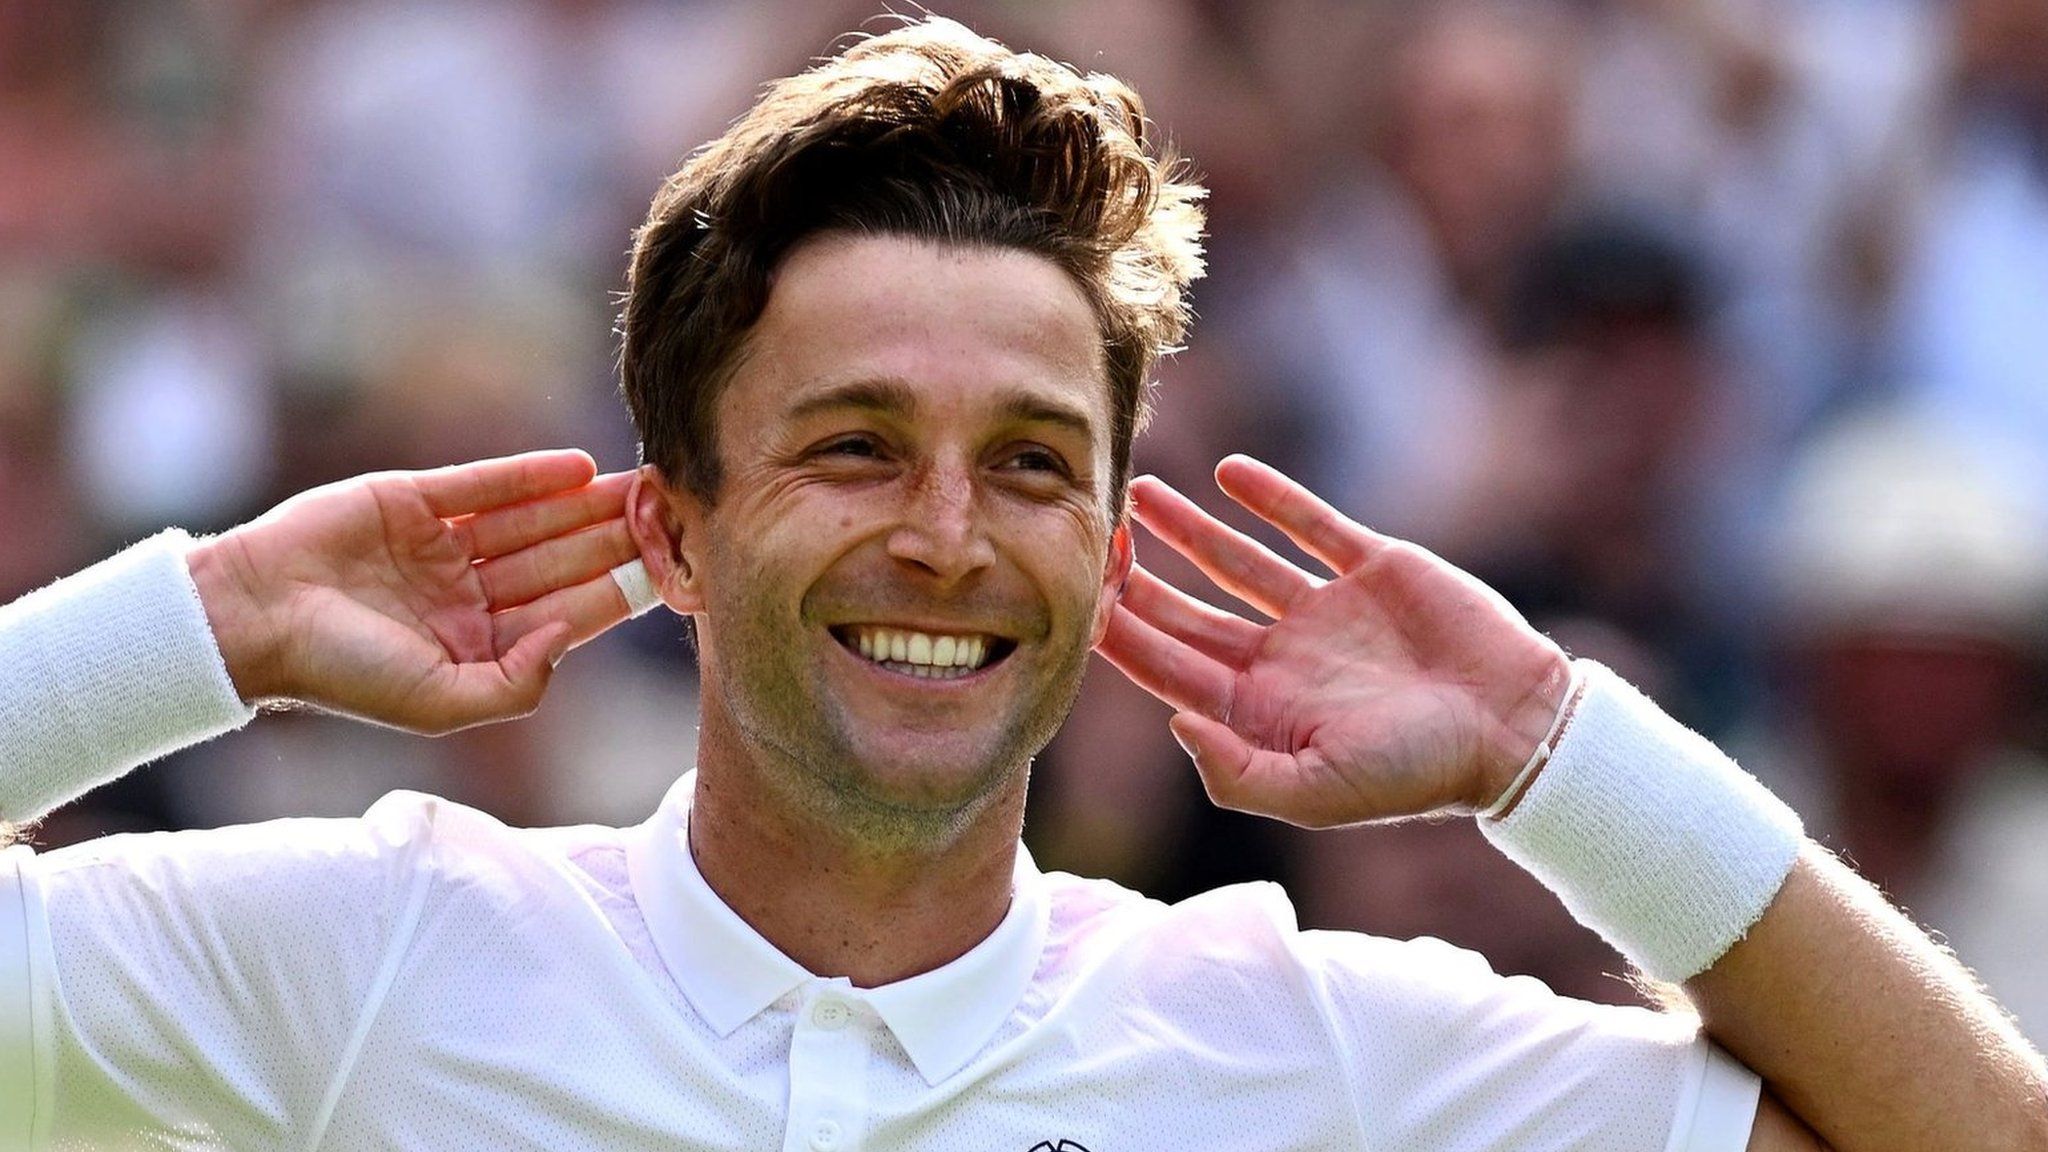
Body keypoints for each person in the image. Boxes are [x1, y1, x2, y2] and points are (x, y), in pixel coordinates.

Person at [1, 17, 2040, 1152]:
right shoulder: (374, 952)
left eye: (1035, 465)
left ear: (1106, 536)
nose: (950, 538)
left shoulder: (1305, 1055)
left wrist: (1549, 756)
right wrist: (200, 629)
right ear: (676, 530)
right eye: (854, 443)